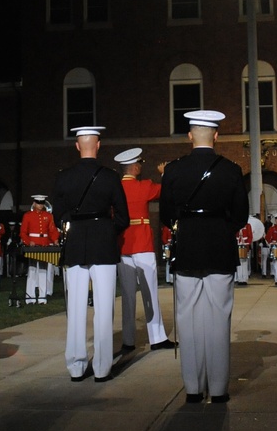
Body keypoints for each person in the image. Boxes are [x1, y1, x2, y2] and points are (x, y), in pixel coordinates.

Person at [159, 109, 249, 404]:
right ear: (216, 136)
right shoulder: (231, 170)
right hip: (219, 247)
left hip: (187, 247)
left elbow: (165, 216)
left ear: (189, 137)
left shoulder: (173, 170)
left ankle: (193, 388)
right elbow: (240, 216)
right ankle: (220, 388)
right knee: (219, 316)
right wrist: (219, 228)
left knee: (187, 317)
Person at [51, 126, 129, 383]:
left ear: (77, 146)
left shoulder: (64, 177)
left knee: (75, 308)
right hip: (103, 244)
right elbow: (123, 218)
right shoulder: (109, 176)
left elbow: (58, 217)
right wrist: (106, 230)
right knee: (104, 307)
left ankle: (76, 366)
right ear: (98, 145)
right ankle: (102, 367)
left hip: (75, 244)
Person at [112, 147, 174, 357]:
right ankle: (157, 337)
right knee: (150, 293)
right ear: (135, 167)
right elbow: (165, 190)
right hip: (143, 245)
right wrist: (164, 173)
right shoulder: (145, 186)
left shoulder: (116, 188)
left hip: (123, 245)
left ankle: (128, 341)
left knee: (128, 296)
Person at [20, 195, 58, 305]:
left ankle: (42, 297)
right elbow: (23, 232)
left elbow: (52, 230)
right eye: (38, 203)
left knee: (43, 271)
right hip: (33, 244)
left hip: (44, 244)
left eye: (42, 203)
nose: (40, 205)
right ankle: (30, 297)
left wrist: (55, 239)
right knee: (32, 271)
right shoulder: (28, 216)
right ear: (34, 203)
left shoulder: (48, 216)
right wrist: (28, 241)